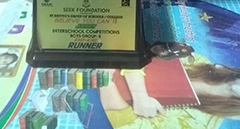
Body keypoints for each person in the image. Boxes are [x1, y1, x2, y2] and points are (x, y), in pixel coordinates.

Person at [99, 56, 240, 128]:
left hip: (97, 100)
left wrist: (105, 80)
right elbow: (142, 52)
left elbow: (124, 125)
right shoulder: (198, 61)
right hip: (103, 61)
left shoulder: (200, 125)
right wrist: (140, 96)